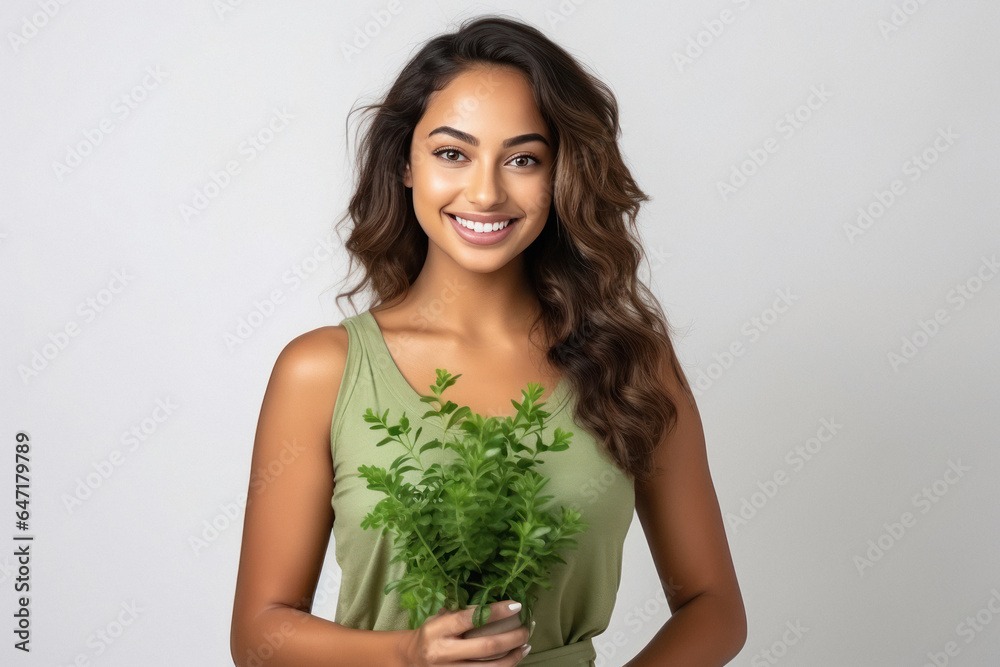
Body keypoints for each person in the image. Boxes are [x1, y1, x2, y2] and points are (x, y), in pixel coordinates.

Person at [230, 14, 746, 667]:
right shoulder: (322, 370)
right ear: (405, 163)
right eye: (453, 153)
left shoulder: (630, 361)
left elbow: (713, 604)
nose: (485, 190)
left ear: (562, 175)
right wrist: (408, 652)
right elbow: (259, 636)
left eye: (523, 159)